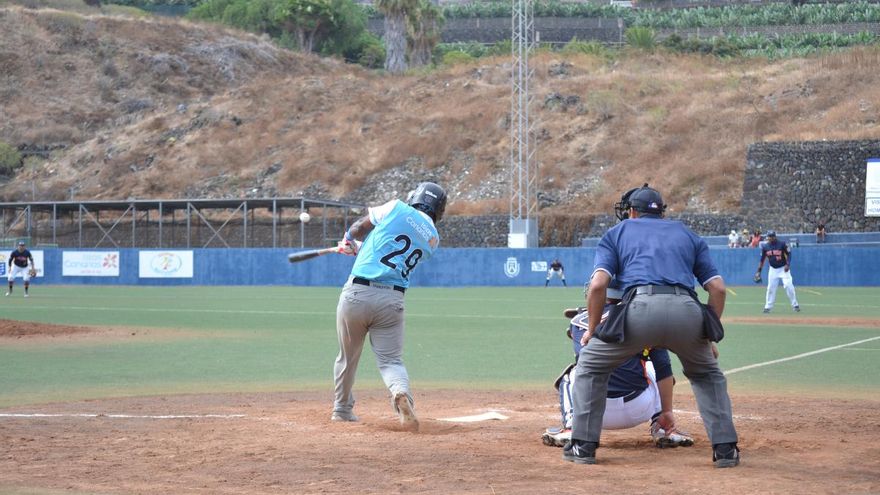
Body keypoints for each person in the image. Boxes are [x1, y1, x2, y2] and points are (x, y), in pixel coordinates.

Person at [565, 184, 739, 468]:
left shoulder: (617, 233)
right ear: (662, 214)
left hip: (639, 310)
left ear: (632, 212)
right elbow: (717, 289)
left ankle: (583, 446)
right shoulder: (687, 234)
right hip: (687, 311)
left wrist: (593, 328)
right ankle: (726, 450)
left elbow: (598, 285)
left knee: (590, 367)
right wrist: (708, 337)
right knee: (707, 375)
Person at [331, 182, 446, 431]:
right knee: (391, 361)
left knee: (347, 358)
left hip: (358, 295)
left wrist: (348, 239)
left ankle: (342, 409)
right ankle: (401, 394)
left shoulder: (396, 207)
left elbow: (361, 226)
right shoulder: (433, 238)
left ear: (415, 196)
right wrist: (358, 249)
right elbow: (394, 252)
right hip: (392, 301)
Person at [542, 279, 693, 449]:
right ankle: (663, 427)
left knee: (574, 373)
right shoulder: (650, 320)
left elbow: (584, 351)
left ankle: (571, 427)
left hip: (593, 412)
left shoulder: (578, 322)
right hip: (639, 408)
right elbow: (664, 368)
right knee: (654, 367)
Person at [756, 230, 800, 313]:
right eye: (769, 236)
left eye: (771, 236)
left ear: (774, 237)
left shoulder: (782, 244)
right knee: (770, 288)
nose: (770, 238)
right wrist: (759, 271)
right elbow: (762, 260)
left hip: (783, 269)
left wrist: (788, 264)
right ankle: (768, 307)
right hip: (773, 270)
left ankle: (795, 305)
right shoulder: (765, 247)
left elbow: (789, 254)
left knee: (788, 285)